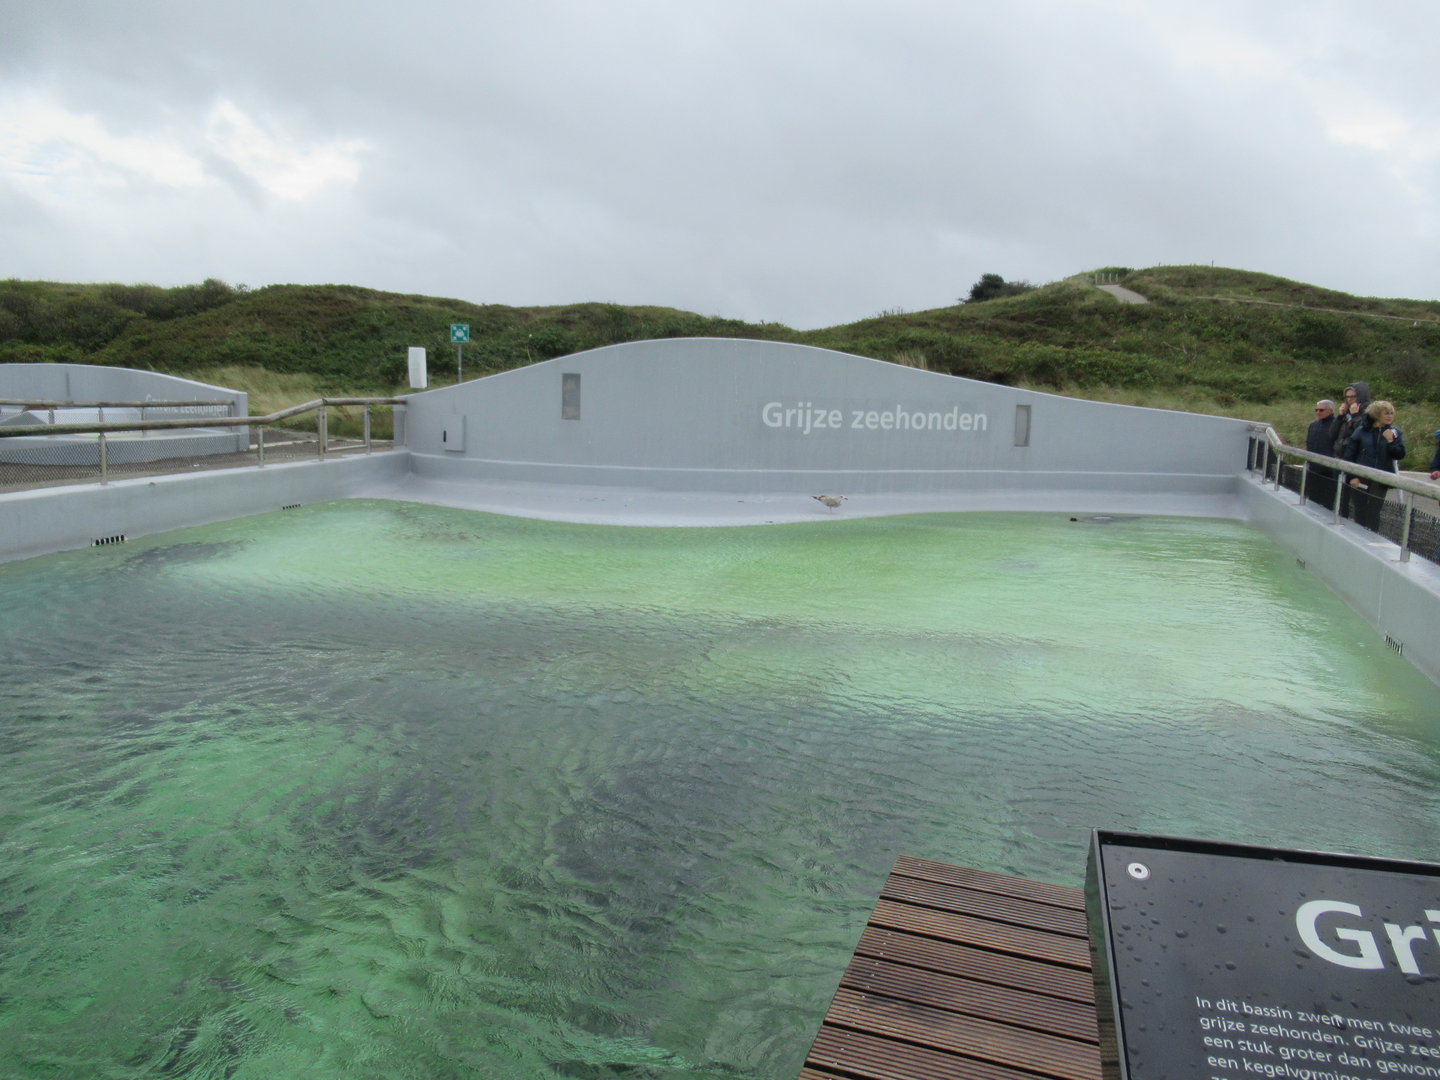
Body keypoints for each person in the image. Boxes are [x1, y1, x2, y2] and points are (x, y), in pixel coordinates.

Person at [1341, 400, 1406, 532]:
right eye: (1386, 413)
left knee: (1374, 512)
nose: (1389, 416)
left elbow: (1400, 454)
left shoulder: (1395, 432)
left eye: (1391, 413)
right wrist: (1352, 476)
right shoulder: (1361, 431)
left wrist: (1390, 441)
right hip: (1360, 477)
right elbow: (1349, 455)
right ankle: (1358, 537)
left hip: (1381, 479)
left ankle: (1371, 538)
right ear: (1376, 415)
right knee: (1359, 510)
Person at [1330, 382, 1370, 518]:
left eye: (1353, 396)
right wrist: (1340, 417)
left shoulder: (1368, 414)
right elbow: (1331, 434)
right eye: (1347, 397)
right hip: (1339, 458)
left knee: (1358, 500)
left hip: (1355, 461)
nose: (1350, 400)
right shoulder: (1345, 413)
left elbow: (1359, 434)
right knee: (1340, 497)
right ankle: (1340, 518)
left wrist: (1354, 416)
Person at [1304, 399, 1338, 507]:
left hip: (1328, 472)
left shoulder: (1336, 425)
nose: (1318, 412)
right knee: (1312, 500)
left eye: (1321, 410)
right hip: (1313, 470)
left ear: (1330, 411)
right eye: (1316, 410)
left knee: (1327, 503)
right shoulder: (1313, 425)